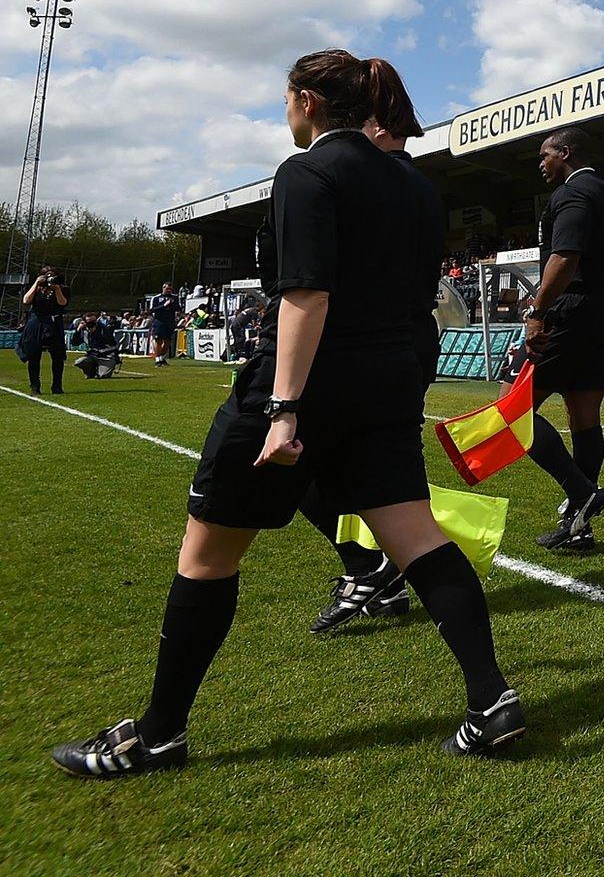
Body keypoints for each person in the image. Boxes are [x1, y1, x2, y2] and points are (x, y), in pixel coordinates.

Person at [51, 51, 522, 777]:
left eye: (285, 99)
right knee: (417, 538)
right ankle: (491, 701)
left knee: (206, 557)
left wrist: (282, 409)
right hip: (390, 383)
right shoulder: (415, 184)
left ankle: (159, 734)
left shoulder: (306, 172)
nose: (285, 111)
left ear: (306, 100)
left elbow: (308, 294)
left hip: (313, 382)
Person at [299, 76, 444, 634]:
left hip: (367, 344)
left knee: (302, 459)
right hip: (404, 342)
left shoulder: (377, 182)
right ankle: (376, 574)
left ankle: (370, 566)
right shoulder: (416, 186)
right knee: (369, 471)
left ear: (376, 126)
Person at [507, 127, 604, 552]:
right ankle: (580, 527)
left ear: (565, 153)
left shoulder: (574, 193)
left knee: (511, 410)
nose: (541, 164)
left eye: (545, 156)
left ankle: (582, 493)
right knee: (584, 415)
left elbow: (565, 256)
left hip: (572, 309)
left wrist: (537, 311)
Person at [18, 266, 69, 395]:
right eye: (47, 276)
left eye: (52, 275)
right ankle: (35, 386)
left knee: (57, 356)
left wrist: (56, 288)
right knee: (34, 355)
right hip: (37, 321)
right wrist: (36, 283)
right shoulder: (37, 288)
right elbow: (26, 300)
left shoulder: (63, 288)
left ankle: (57, 386)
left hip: (54, 321)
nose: (49, 279)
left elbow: (62, 303)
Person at [147, 282, 178, 367]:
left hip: (170, 322)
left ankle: (162, 357)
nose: (169, 290)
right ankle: (157, 359)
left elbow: (178, 308)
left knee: (167, 341)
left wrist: (171, 305)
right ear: (163, 288)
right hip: (159, 321)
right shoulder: (156, 298)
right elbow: (152, 310)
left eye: (170, 289)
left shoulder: (174, 297)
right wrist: (164, 305)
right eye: (167, 288)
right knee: (159, 340)